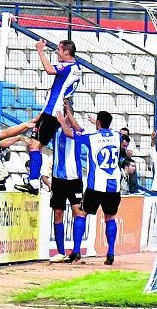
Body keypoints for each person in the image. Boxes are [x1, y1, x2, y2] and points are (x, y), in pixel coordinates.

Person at [15, 39, 82, 195]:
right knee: (36, 146)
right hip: (55, 112)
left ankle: (33, 182)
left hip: (52, 112)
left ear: (66, 51)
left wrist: (40, 50)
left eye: (59, 49)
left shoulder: (67, 66)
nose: (57, 52)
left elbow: (50, 70)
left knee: (34, 146)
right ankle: (33, 180)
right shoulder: (78, 68)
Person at [57, 110, 121, 265]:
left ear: (98, 123)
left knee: (81, 213)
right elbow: (106, 132)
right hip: (114, 186)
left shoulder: (92, 138)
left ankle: (77, 251)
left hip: (96, 186)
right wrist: (98, 123)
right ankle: (111, 253)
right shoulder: (117, 136)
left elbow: (69, 133)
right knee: (110, 218)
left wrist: (61, 120)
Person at [46, 100, 85, 263]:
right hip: (58, 179)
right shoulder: (56, 130)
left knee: (79, 212)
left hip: (75, 178)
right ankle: (61, 252)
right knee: (58, 213)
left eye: (67, 114)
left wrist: (67, 115)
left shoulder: (77, 131)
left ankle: (76, 251)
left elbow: (75, 130)